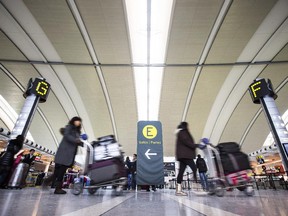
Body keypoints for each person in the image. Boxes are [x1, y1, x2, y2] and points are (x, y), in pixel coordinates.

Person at [42, 116, 83, 194]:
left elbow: (75, 141)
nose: (79, 122)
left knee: (58, 172)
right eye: (77, 121)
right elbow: (67, 136)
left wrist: (80, 143)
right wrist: (76, 140)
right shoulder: (69, 127)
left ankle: (47, 181)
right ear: (73, 121)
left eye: (80, 121)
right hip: (64, 153)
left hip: (69, 154)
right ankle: (57, 188)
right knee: (61, 171)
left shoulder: (77, 132)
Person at [175, 122, 199, 196]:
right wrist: (197, 145)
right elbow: (187, 142)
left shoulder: (181, 133)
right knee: (194, 168)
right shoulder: (183, 132)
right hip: (185, 155)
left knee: (181, 172)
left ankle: (178, 190)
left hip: (183, 156)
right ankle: (196, 186)